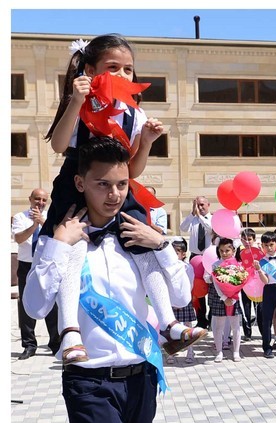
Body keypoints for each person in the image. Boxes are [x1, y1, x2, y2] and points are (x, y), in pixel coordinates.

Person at [23, 137, 189, 423]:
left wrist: (162, 244)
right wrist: (57, 245)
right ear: (80, 183)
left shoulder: (138, 236)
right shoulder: (60, 237)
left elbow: (181, 295)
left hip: (141, 378)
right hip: (89, 382)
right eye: (103, 184)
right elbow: (34, 306)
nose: (114, 194)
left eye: (122, 184)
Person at [40, 34, 204, 361]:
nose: (122, 74)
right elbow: (58, 146)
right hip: (76, 184)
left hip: (117, 185)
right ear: (90, 70)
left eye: (128, 69)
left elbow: (133, 170)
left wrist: (147, 142)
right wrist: (76, 100)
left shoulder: (134, 113)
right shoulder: (80, 102)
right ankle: (70, 332)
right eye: (112, 67)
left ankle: (169, 324)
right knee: (72, 248)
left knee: (142, 242)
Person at [12, 188, 60, 359]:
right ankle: (29, 345)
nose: (40, 202)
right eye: (37, 199)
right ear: (30, 199)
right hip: (26, 265)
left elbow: (57, 237)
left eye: (44, 200)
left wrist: (42, 222)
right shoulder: (20, 217)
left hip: (46, 264)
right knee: (26, 305)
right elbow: (19, 239)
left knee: (52, 305)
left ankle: (55, 343)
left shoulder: (51, 217)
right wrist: (34, 225)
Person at [205, 238, 244, 363]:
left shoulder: (238, 265)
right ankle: (219, 352)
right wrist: (224, 297)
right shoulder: (216, 265)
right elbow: (216, 284)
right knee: (219, 326)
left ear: (233, 250)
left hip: (234, 298)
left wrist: (233, 297)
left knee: (235, 325)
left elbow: (241, 281)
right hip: (220, 298)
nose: (224, 253)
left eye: (227, 250)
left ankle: (236, 352)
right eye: (221, 251)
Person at [180, 195, 213, 328]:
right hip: (195, 257)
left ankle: (212, 318)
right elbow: (183, 228)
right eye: (197, 205)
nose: (200, 207)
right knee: (198, 290)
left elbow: (210, 228)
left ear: (208, 205)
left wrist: (200, 216)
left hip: (209, 257)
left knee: (211, 288)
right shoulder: (193, 219)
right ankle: (201, 320)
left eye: (202, 205)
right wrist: (192, 214)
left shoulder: (212, 219)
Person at [168, 238, 197, 364]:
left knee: (187, 327)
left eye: (176, 253)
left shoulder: (187, 267)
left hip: (185, 300)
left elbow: (189, 284)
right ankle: (171, 352)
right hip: (171, 301)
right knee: (172, 327)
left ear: (183, 254)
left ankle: (190, 351)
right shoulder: (167, 267)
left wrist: (182, 300)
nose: (173, 256)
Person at [236, 228, 259, 340]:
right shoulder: (238, 252)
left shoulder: (258, 251)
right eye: (244, 239)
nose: (247, 242)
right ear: (241, 240)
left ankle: (263, 331)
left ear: (254, 239)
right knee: (246, 308)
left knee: (259, 308)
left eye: (249, 239)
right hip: (244, 284)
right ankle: (247, 333)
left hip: (257, 284)